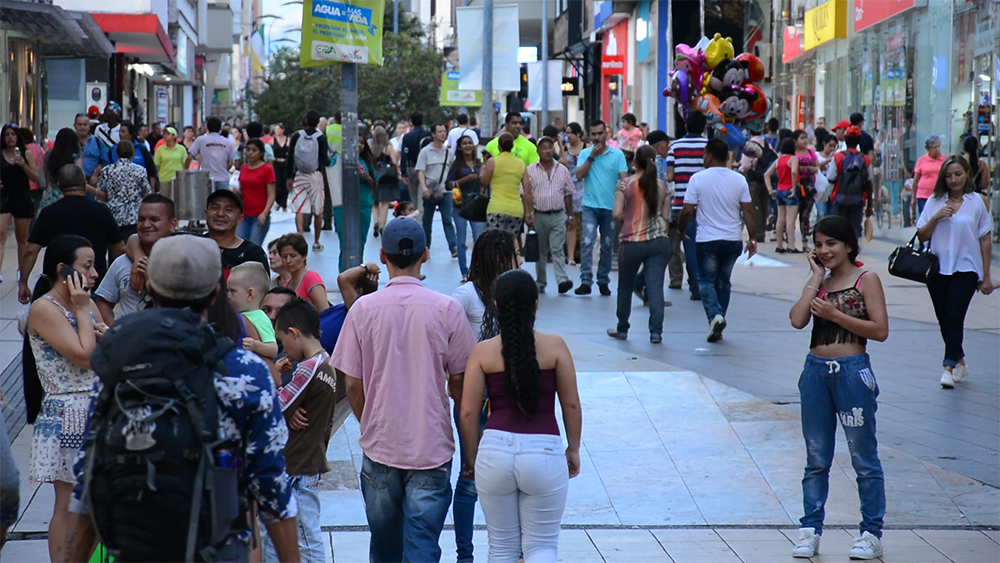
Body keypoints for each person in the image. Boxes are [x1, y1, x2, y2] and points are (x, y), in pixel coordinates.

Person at [67, 235, 300, 563]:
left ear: (150, 288)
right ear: (216, 293)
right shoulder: (244, 371)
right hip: (216, 548)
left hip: (135, 546)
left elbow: (87, 475)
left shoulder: (116, 362)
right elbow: (272, 486)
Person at [330, 217, 475, 562]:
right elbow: (460, 382)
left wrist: (371, 423)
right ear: (425, 255)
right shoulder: (448, 310)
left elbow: (352, 383)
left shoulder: (363, 309)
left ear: (382, 256)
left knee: (384, 547)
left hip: (380, 447)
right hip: (431, 448)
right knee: (423, 546)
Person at [459, 269, 582, 563]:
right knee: (542, 547)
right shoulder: (555, 347)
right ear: (536, 305)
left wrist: (473, 459)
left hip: (494, 453)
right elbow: (571, 405)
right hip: (544, 453)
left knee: (501, 548)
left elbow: (467, 411)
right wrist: (573, 448)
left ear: (497, 306)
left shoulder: (482, 352)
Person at [788, 216, 889, 560]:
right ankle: (810, 529)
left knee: (863, 457)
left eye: (831, 243)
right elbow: (797, 320)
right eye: (818, 244)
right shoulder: (820, 281)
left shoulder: (866, 278)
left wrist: (834, 315)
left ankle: (870, 533)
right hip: (815, 373)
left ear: (848, 244)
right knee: (816, 457)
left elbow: (879, 330)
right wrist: (815, 278)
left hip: (852, 373)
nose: (824, 250)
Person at [22, 235, 105, 561]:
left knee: (95, 501)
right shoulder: (45, 308)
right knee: (70, 502)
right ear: (63, 269)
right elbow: (85, 354)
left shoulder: (85, 301)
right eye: (88, 265)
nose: (95, 273)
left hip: (96, 407)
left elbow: (107, 349)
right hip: (68, 410)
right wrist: (84, 310)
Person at [261, 298, 336, 562]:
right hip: (303, 463)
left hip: (299, 465)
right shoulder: (325, 361)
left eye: (283, 342)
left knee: (304, 537)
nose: (285, 351)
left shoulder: (308, 368)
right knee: (284, 535)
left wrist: (271, 378)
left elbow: (275, 405)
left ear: (294, 333)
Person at [915, 156, 994, 388]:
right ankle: (960, 361)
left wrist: (986, 275)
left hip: (966, 268)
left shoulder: (977, 202)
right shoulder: (934, 201)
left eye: (958, 174)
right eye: (949, 175)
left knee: (954, 317)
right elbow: (922, 235)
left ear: (967, 174)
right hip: (938, 268)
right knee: (944, 319)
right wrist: (937, 216)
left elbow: (985, 238)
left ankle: (948, 368)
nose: (953, 179)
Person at [679, 138, 758, 343]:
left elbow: (688, 209)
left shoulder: (698, 179)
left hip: (707, 239)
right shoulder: (739, 179)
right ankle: (719, 320)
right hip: (732, 239)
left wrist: (680, 229)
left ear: (709, 155)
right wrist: (753, 237)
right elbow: (748, 210)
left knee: (705, 280)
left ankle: (715, 315)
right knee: (724, 281)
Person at [18, 165, 124, 304]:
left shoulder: (49, 213)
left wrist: (23, 282)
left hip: (57, 285)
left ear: (59, 186)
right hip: (94, 282)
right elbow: (118, 247)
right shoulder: (101, 211)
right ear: (85, 185)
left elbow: (31, 251)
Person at [607, 145, 672, 343]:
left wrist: (627, 223)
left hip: (632, 242)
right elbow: (666, 218)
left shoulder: (625, 185)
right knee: (655, 288)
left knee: (625, 286)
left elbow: (616, 213)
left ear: (635, 161)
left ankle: (622, 328)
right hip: (659, 243)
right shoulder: (662, 186)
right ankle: (655, 332)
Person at [95, 194, 177, 323]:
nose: (146, 225)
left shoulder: (183, 263)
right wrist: (114, 331)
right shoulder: (121, 263)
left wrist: (154, 281)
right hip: (129, 340)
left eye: (154, 219)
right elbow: (103, 303)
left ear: (172, 224)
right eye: (141, 219)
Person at [523, 136, 576, 294]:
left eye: (550, 147)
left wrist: (570, 215)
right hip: (538, 214)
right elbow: (525, 193)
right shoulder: (530, 170)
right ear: (538, 151)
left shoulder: (562, 170)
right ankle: (541, 281)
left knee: (558, 248)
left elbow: (568, 194)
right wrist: (528, 212)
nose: (547, 151)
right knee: (540, 250)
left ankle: (562, 280)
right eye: (544, 148)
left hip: (558, 214)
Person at [666, 112, 708, 299]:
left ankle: (696, 286)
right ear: (704, 128)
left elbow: (669, 176)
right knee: (704, 246)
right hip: (705, 205)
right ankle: (703, 283)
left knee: (689, 246)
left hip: (681, 205)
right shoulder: (708, 146)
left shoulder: (674, 146)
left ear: (685, 127)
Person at [287, 110, 332, 249]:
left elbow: (290, 157)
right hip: (315, 176)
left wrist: (289, 176)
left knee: (299, 209)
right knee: (317, 209)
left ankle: (300, 237)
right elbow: (325, 160)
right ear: (318, 122)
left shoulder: (297, 136)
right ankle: (316, 241)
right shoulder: (321, 138)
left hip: (299, 175)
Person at [332, 132, 376, 272]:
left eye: (362, 143)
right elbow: (331, 175)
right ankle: (343, 272)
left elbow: (375, 184)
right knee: (344, 242)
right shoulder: (337, 159)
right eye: (355, 142)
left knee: (360, 241)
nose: (359, 145)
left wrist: (368, 178)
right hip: (342, 206)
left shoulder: (366, 162)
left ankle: (357, 272)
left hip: (363, 205)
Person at [2, 124, 40, 280]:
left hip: (22, 196)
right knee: (1, 233)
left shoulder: (27, 154)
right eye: (7, 135)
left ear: (18, 137)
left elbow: (36, 178)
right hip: (4, 197)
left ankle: (21, 269)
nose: (10, 137)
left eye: (13, 134)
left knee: (22, 237)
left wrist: (23, 165)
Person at [447, 133, 486, 280]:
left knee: (479, 239)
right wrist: (465, 179)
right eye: (464, 143)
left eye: (470, 143)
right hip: (460, 206)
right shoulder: (456, 164)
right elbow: (448, 184)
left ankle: (478, 270)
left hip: (476, 206)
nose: (468, 145)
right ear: (460, 147)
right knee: (461, 241)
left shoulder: (479, 163)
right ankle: (464, 272)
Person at [95, 141, 151, 241]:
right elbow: (147, 194)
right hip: (134, 218)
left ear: (116, 153)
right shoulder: (140, 170)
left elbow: (101, 195)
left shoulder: (107, 171)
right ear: (133, 153)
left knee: (115, 250)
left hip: (113, 217)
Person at [416, 123, 458, 255]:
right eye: (439, 132)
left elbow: (452, 170)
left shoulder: (449, 153)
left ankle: (453, 247)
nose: (443, 134)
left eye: (444, 132)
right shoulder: (425, 152)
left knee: (447, 219)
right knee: (427, 221)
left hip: (445, 191)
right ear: (433, 134)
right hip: (430, 191)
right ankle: (425, 247)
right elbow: (421, 171)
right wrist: (424, 188)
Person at [480, 132, 529, 242]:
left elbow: (484, 182)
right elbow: (527, 190)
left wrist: (484, 168)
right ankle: (509, 259)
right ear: (512, 146)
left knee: (495, 243)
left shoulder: (493, 162)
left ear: (499, 147)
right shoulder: (521, 164)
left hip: (496, 208)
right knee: (511, 244)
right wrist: (528, 213)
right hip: (516, 210)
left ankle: (497, 260)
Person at [229, 262, 280, 362]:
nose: (228, 295)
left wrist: (256, 346)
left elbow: (273, 349)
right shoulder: (236, 315)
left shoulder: (260, 318)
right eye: (227, 290)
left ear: (250, 294)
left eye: (232, 291)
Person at [831, 127, 874, 237]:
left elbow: (831, 178)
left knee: (838, 228)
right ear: (859, 140)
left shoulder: (838, 157)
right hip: (857, 199)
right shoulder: (865, 159)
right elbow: (869, 183)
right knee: (854, 228)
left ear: (845, 139)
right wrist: (870, 205)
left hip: (840, 198)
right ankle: (853, 250)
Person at [236, 138, 276, 246]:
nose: (250, 153)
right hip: (244, 214)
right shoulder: (243, 168)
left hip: (259, 215)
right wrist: (236, 193)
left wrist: (265, 213)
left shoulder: (267, 169)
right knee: (240, 246)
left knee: (253, 246)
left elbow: (271, 195)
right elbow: (243, 191)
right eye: (248, 150)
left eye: (254, 150)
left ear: (261, 153)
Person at [765, 139, 802, 253]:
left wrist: (771, 190)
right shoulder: (793, 158)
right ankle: (791, 246)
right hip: (790, 190)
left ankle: (779, 245)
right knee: (790, 221)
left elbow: (767, 175)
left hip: (780, 190)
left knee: (780, 220)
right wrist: (794, 187)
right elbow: (794, 172)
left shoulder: (779, 160)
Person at [277, 232, 330, 311]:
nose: (288, 261)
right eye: (284, 256)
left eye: (293, 256)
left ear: (304, 256)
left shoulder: (311, 278)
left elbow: (325, 312)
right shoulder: (287, 285)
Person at [560, 122, 587, 266]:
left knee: (585, 223)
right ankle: (570, 256)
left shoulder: (586, 148)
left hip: (584, 186)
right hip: (569, 187)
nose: (568, 136)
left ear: (578, 134)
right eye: (567, 133)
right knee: (571, 223)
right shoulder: (565, 148)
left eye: (571, 133)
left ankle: (582, 255)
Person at [189, 117, 237, 190]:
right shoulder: (227, 143)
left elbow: (189, 157)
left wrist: (185, 170)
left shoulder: (201, 140)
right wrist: (223, 170)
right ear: (220, 127)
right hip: (223, 179)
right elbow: (230, 163)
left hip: (206, 179)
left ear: (207, 127)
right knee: (222, 200)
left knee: (206, 201)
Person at [793, 130, 820, 251]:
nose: (805, 140)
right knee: (793, 215)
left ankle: (805, 241)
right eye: (802, 138)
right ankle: (790, 240)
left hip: (809, 187)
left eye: (806, 138)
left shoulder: (811, 152)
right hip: (797, 187)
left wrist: (813, 169)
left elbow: (817, 166)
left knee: (805, 215)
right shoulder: (792, 153)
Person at [372, 125, 400, 237]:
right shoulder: (388, 147)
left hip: (374, 176)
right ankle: (382, 225)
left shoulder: (370, 146)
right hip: (386, 178)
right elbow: (394, 161)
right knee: (384, 202)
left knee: (374, 202)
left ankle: (375, 222)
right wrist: (398, 174)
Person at [113, 121, 157, 188]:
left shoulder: (142, 148)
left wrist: (152, 189)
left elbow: (151, 170)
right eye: (119, 131)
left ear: (131, 134)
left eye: (123, 131)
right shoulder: (113, 149)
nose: (120, 134)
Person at [401, 111, 432, 203]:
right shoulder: (428, 135)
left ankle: (415, 214)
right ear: (422, 121)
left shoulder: (407, 136)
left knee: (413, 197)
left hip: (412, 167)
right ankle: (420, 215)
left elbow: (404, 154)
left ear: (411, 122)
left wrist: (404, 173)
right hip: (426, 168)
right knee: (422, 196)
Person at [912, 135, 944, 217]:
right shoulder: (922, 160)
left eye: (938, 146)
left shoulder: (944, 160)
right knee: (925, 219)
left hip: (939, 196)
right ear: (928, 149)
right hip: (923, 195)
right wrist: (913, 197)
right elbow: (916, 180)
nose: (937, 149)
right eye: (934, 147)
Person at [153, 126, 190, 193]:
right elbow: (157, 165)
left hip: (177, 178)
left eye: (168, 133)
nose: (165, 135)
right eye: (164, 133)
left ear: (174, 136)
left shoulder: (181, 149)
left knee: (176, 199)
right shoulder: (160, 149)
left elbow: (184, 163)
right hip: (164, 179)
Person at [961, 136, 990, 208]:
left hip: (960, 196)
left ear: (964, 147)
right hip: (976, 197)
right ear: (977, 148)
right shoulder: (982, 165)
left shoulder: (958, 162)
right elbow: (984, 185)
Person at [271, 123, 290, 210]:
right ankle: (278, 201)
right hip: (276, 163)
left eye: (279, 129)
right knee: (277, 183)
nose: (277, 131)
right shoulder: (273, 140)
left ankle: (284, 203)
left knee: (285, 183)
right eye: (276, 129)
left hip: (285, 164)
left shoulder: (287, 139)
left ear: (283, 130)